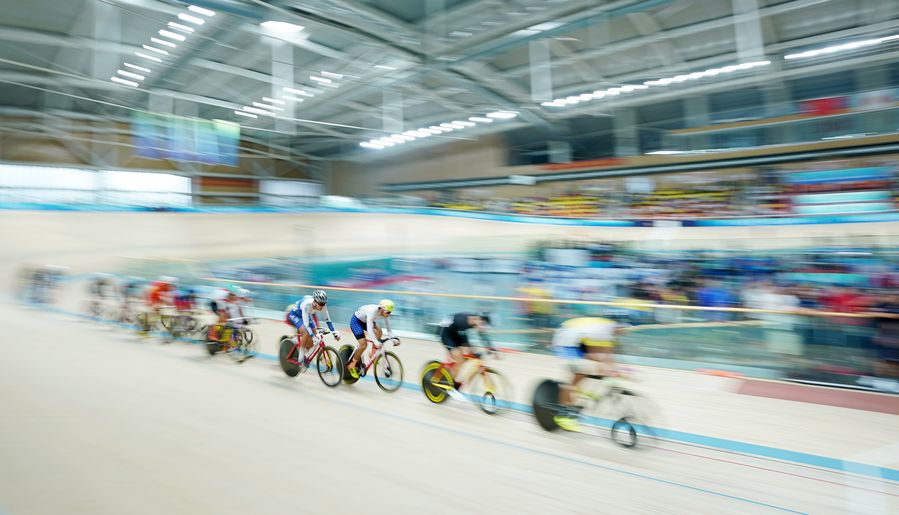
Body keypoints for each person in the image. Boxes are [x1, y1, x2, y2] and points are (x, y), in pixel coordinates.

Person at [550, 317, 621, 432]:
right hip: (566, 343)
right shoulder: (602, 331)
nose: (623, 333)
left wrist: (614, 370)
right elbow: (592, 354)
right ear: (616, 327)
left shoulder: (609, 333)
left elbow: (608, 355)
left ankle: (575, 397)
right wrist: (607, 368)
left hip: (578, 341)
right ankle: (563, 412)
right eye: (622, 330)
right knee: (578, 375)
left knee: (590, 371)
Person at [285, 290, 339, 368]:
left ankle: (304, 351)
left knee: (315, 335)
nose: (322, 306)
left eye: (324, 304)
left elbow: (328, 321)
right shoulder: (307, 305)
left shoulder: (322, 306)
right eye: (320, 304)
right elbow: (306, 325)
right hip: (295, 315)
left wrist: (334, 332)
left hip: (306, 315)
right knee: (306, 333)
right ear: (315, 302)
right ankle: (300, 359)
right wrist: (313, 336)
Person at [347, 299, 396, 378]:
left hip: (365, 320)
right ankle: (352, 364)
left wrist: (393, 339)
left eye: (390, 312)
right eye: (388, 312)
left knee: (379, 331)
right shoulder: (372, 311)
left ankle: (372, 353)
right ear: (382, 309)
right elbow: (370, 330)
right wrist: (376, 342)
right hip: (356, 321)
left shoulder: (384, 313)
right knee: (363, 345)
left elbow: (389, 329)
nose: (389, 314)